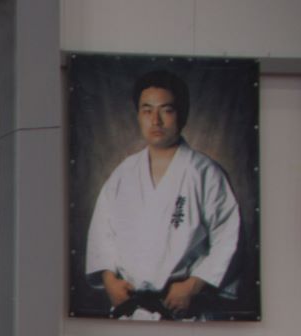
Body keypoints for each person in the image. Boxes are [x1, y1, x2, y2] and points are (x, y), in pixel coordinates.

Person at [84, 68, 241, 320]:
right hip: (131, 311)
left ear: (182, 114)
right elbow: (102, 235)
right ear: (138, 115)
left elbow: (228, 235)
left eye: (166, 110)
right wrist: (109, 279)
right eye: (147, 110)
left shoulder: (204, 172)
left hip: (183, 310)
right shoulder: (123, 173)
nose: (155, 120)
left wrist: (193, 286)